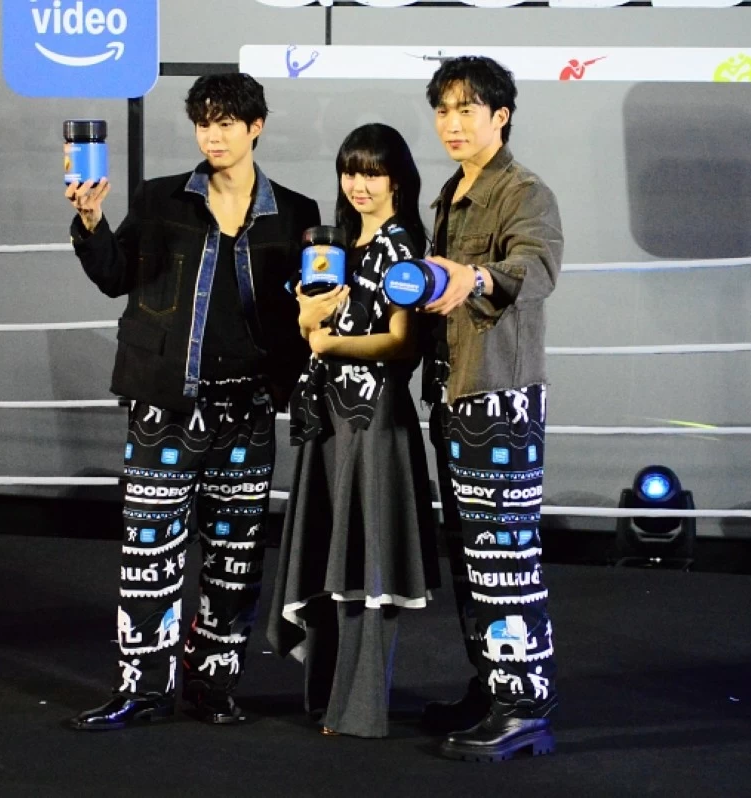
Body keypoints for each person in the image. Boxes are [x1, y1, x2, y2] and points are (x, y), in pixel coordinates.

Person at [63, 73, 320, 730]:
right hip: (164, 406)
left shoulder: (296, 212)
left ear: (255, 126)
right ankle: (142, 689)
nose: (215, 133)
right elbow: (114, 277)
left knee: (234, 561)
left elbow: (309, 313)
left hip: (248, 409)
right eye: (205, 121)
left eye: (228, 121)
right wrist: (89, 220)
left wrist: (280, 386)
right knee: (149, 553)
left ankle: (214, 687)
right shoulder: (157, 200)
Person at [266, 123, 440, 738]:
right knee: (326, 556)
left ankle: (359, 709)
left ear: (396, 178)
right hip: (328, 419)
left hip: (374, 421)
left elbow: (402, 343)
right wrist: (305, 317)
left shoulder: (402, 246)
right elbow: (308, 321)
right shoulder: (335, 244)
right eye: (350, 171)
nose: (358, 184)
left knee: (366, 565)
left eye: (371, 172)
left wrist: (326, 338)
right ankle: (326, 699)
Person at [416, 56, 565, 762]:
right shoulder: (450, 194)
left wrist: (475, 274)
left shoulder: (522, 189)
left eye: (467, 109)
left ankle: (524, 704)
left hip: (499, 395)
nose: (453, 123)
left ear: (500, 115)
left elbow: (537, 270)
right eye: (443, 110)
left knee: (506, 556)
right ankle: (491, 683)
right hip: (454, 394)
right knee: (472, 556)